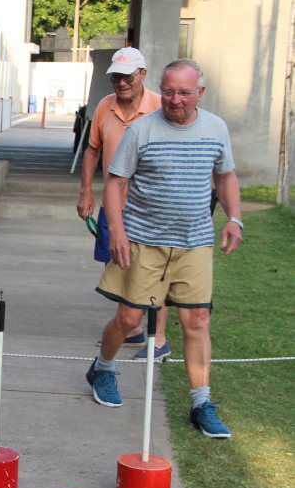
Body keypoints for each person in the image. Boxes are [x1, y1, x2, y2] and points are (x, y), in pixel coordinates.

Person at [86, 59, 243, 439]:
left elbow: (224, 175)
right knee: (129, 321)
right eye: (169, 91)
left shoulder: (215, 128)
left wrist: (234, 218)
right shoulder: (141, 131)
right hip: (143, 242)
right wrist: (118, 233)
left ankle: (201, 402)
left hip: (195, 243)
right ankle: (102, 369)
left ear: (199, 94)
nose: (175, 100)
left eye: (184, 92)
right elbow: (114, 183)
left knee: (197, 322)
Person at [77, 47, 171, 360]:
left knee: (156, 272)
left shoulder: (161, 107)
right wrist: (86, 190)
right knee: (116, 267)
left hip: (150, 210)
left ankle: (158, 340)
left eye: (127, 76)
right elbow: (92, 150)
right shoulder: (105, 106)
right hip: (114, 205)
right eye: (116, 76)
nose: (121, 82)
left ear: (142, 74)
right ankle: (131, 329)